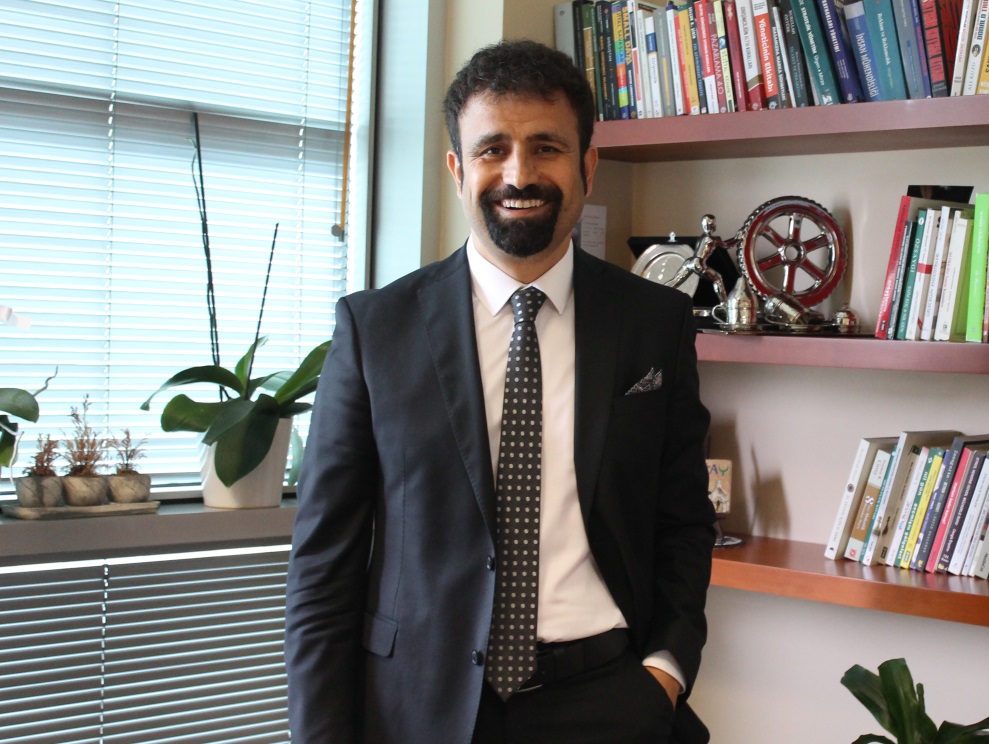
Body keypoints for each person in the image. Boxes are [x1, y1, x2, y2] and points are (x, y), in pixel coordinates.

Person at [284, 39, 716, 744]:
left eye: (546, 147)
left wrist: (665, 670)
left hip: (611, 701)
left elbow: (684, 521)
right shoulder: (375, 331)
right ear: (458, 169)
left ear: (586, 167)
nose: (520, 173)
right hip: (419, 710)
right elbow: (323, 569)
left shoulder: (654, 323)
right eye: (493, 149)